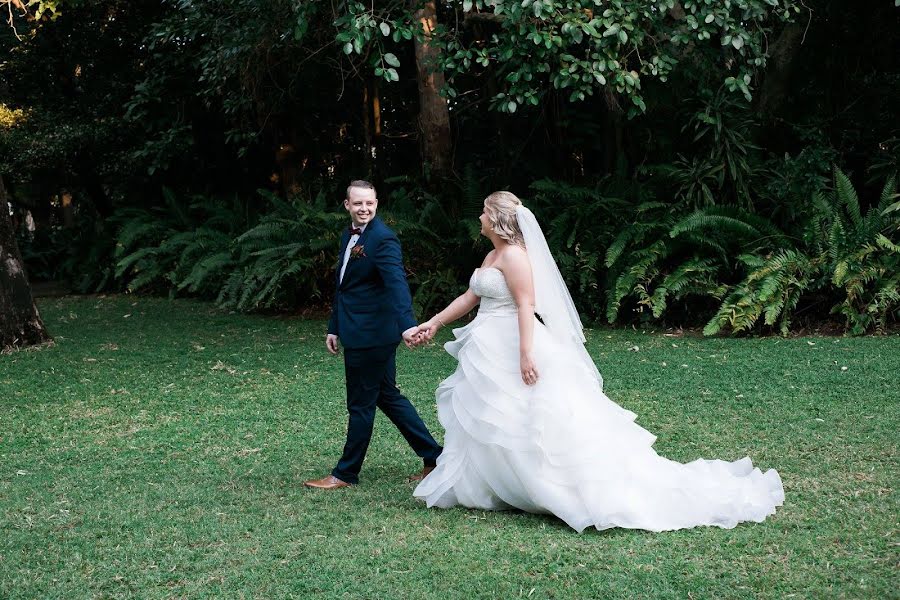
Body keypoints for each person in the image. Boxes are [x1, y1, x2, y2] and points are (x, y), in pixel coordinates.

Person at [411, 191, 784, 532]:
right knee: (493, 413)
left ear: (496, 219)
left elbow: (525, 304)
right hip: (486, 340)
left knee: (530, 415)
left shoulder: (514, 257)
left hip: (513, 338)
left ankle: (546, 486)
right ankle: (496, 483)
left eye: (483, 212)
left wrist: (526, 352)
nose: (479, 217)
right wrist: (433, 322)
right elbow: (471, 296)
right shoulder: (491, 255)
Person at [304, 180, 442, 490]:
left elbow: (396, 284)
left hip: (372, 336)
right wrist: (334, 325)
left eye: (369, 203)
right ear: (347, 205)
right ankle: (435, 457)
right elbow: (344, 285)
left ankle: (345, 473)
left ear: (376, 204)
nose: (364, 208)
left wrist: (407, 324)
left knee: (360, 404)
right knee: (387, 396)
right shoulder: (348, 235)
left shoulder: (383, 239)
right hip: (355, 328)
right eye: (358, 204)